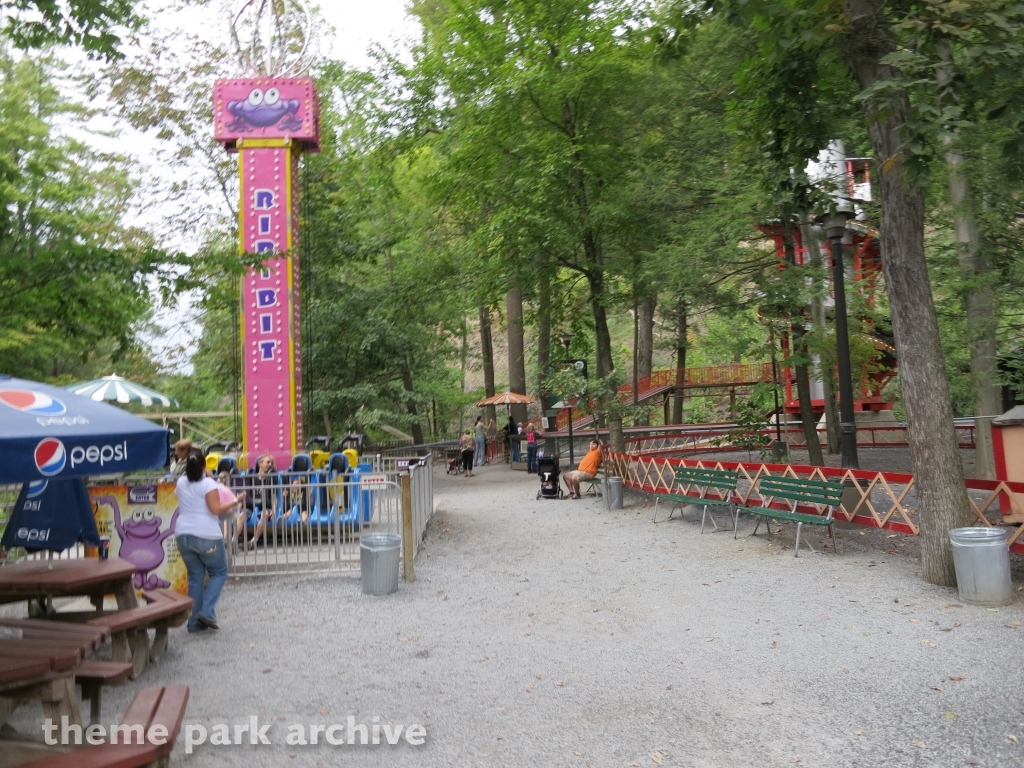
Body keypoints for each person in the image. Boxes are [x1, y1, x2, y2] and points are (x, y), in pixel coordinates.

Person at [175, 449, 244, 632]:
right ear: (205, 466)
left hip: (183, 534)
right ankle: (206, 612)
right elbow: (215, 509)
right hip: (206, 534)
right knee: (219, 572)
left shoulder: (181, 482)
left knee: (196, 577)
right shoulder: (208, 484)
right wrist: (236, 500)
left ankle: (194, 622)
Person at [239, 453, 277, 550]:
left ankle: (253, 542)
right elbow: (244, 495)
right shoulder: (252, 478)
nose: (270, 465)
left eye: (271, 463)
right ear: (260, 464)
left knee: (265, 514)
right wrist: (238, 507)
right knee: (241, 515)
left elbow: (273, 497)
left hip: (265, 506)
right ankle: (232, 541)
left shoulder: (271, 479)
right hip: (251, 506)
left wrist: (274, 510)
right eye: (267, 462)